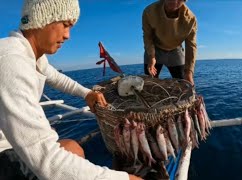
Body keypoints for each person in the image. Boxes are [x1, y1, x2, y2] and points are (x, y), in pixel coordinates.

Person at [0, 0, 141, 179]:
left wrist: (86, 93)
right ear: (41, 19)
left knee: (71, 147)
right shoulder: (12, 62)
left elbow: (56, 77)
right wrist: (126, 178)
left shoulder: (29, 56)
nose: (68, 36)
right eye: (65, 25)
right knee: (72, 151)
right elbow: (49, 162)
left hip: (11, 143)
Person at [143, 0, 197, 85]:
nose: (174, 1)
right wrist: (151, 57)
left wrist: (189, 72)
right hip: (154, 49)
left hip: (175, 50)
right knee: (149, 83)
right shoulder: (149, 11)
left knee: (184, 84)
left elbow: (191, 46)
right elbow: (147, 36)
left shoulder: (191, 19)